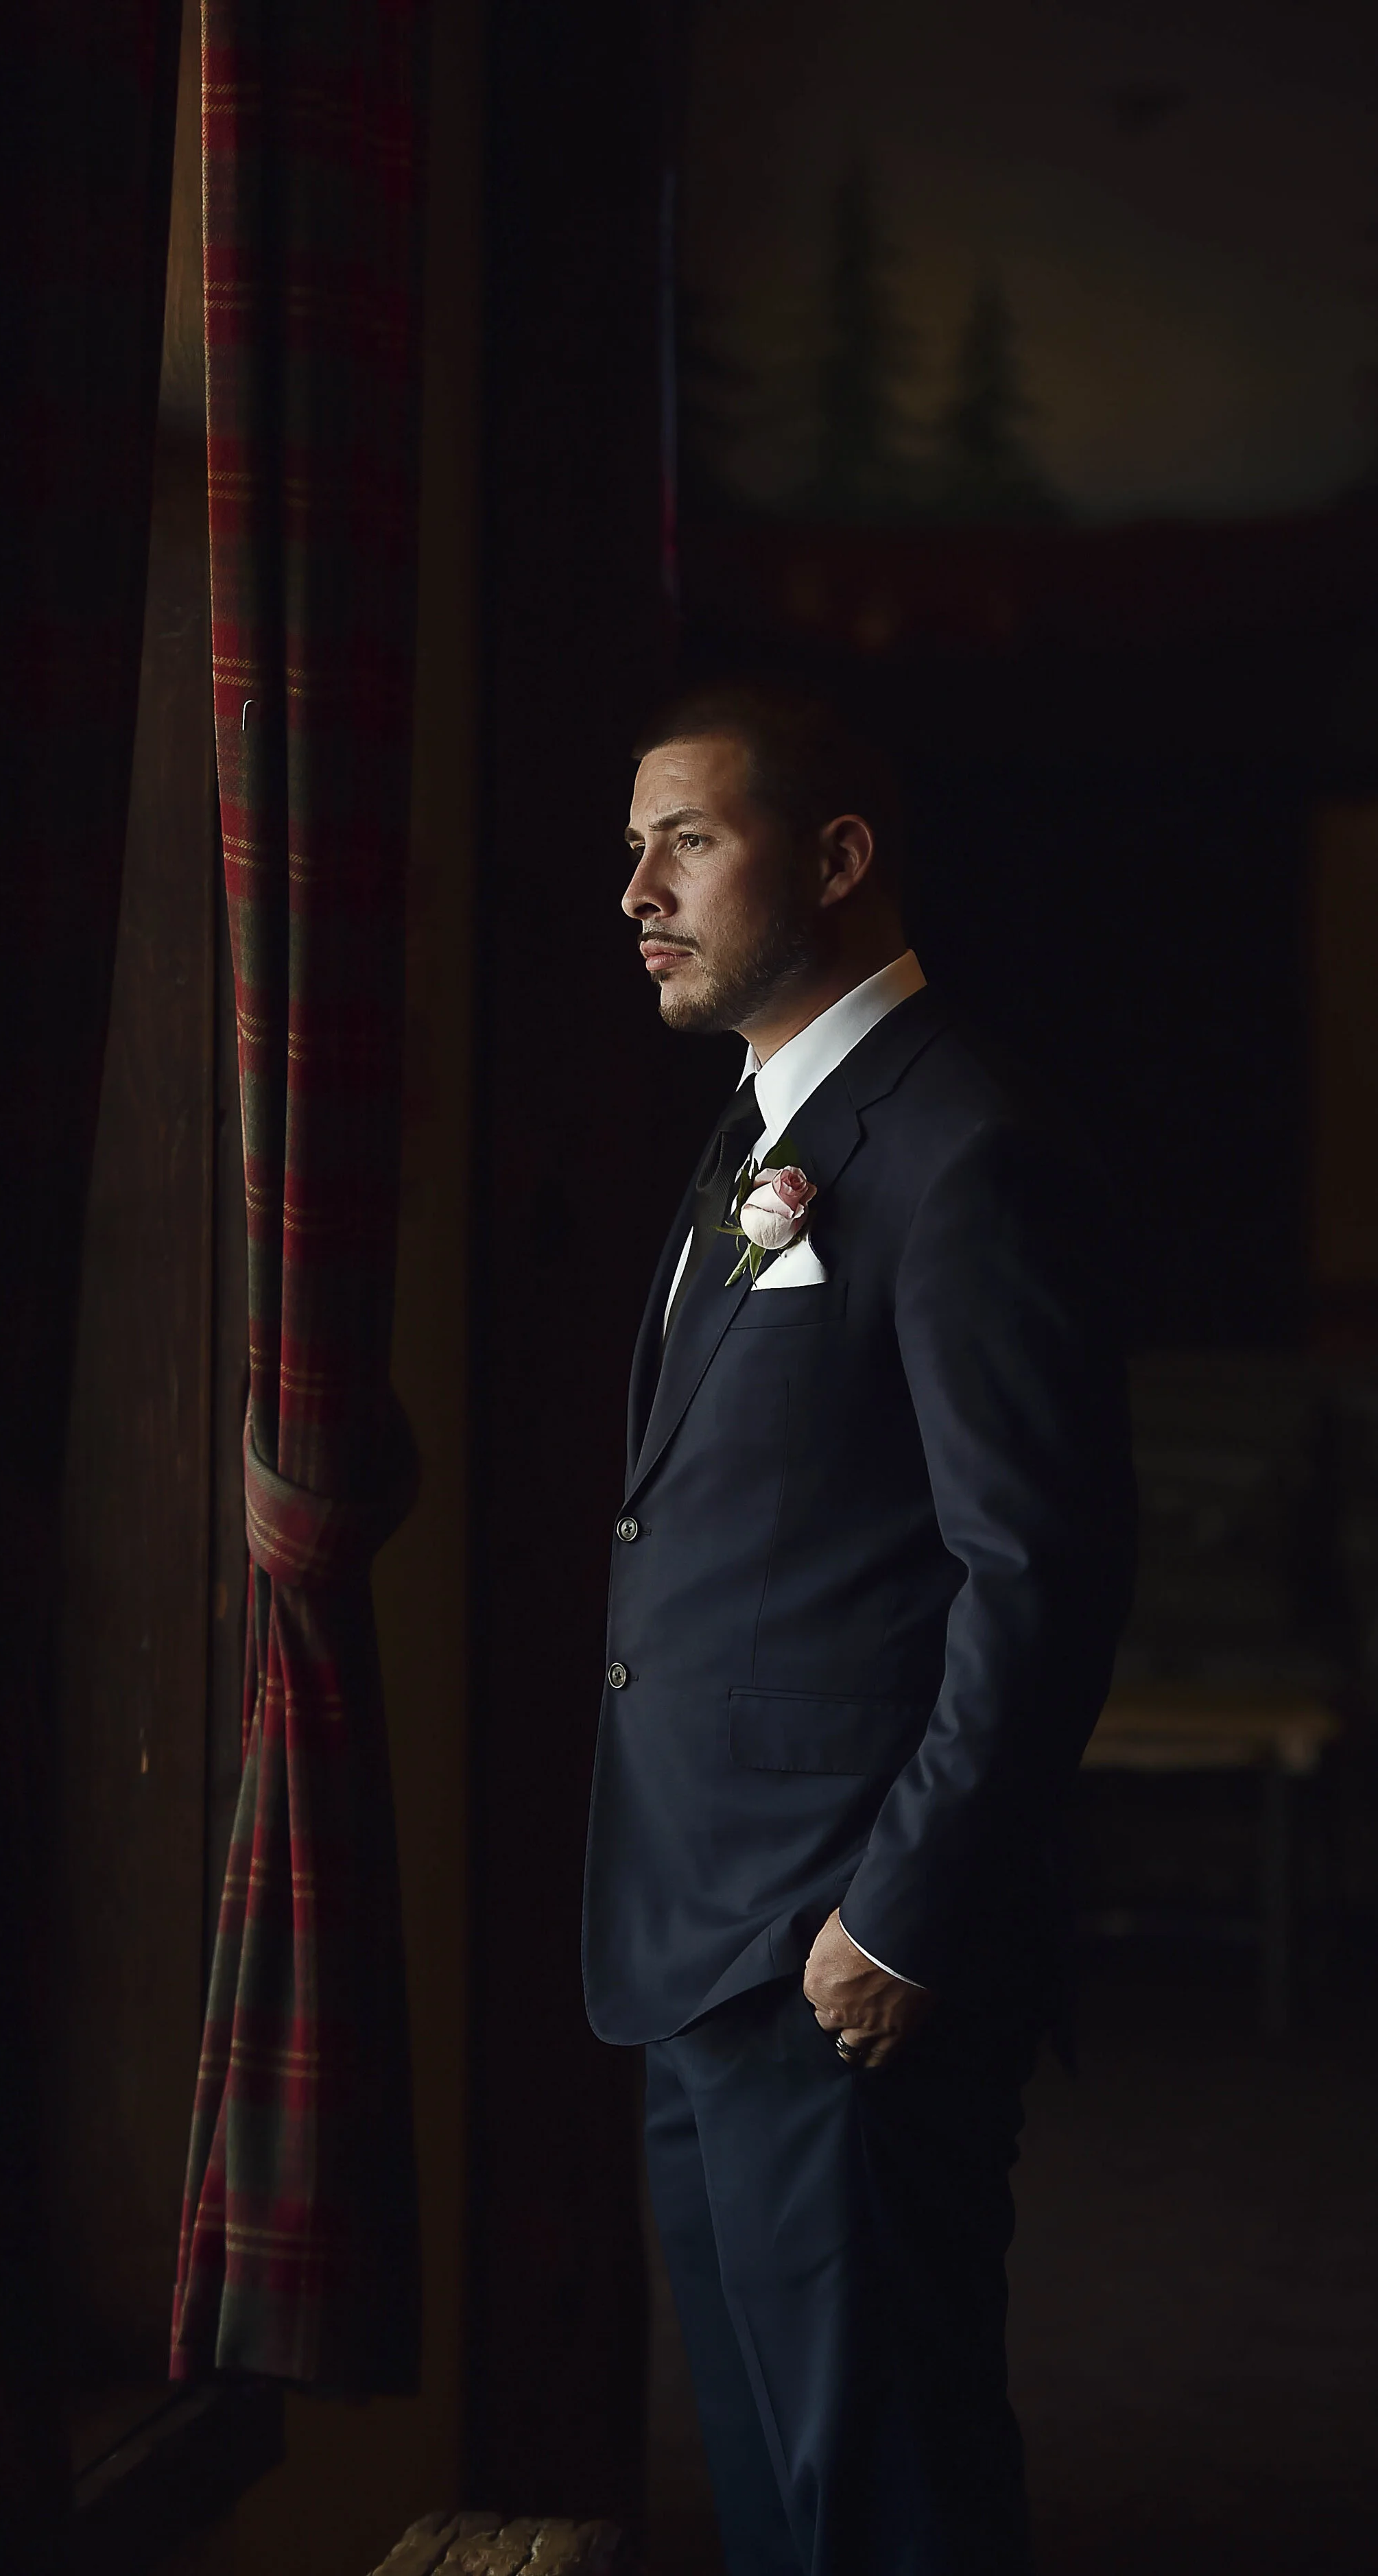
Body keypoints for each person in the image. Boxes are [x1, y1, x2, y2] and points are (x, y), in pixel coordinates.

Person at [581, 684, 1136, 2575]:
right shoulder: (765, 1126)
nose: (638, 888)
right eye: (635, 845)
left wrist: (893, 1913)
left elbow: (1036, 1568)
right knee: (772, 2497)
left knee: (882, 2499)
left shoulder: (956, 1140)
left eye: (690, 841)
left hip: (842, 1956)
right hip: (702, 1940)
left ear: (833, 858)